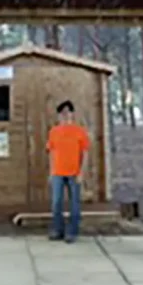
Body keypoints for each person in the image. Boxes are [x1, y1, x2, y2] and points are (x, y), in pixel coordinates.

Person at [46, 100, 90, 243]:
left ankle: (72, 232)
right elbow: (51, 152)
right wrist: (51, 171)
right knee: (56, 202)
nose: (65, 115)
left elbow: (85, 153)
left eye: (67, 112)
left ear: (72, 114)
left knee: (74, 204)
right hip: (58, 173)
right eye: (62, 113)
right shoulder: (54, 132)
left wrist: (82, 172)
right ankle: (58, 230)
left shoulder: (79, 131)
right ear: (59, 115)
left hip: (74, 172)